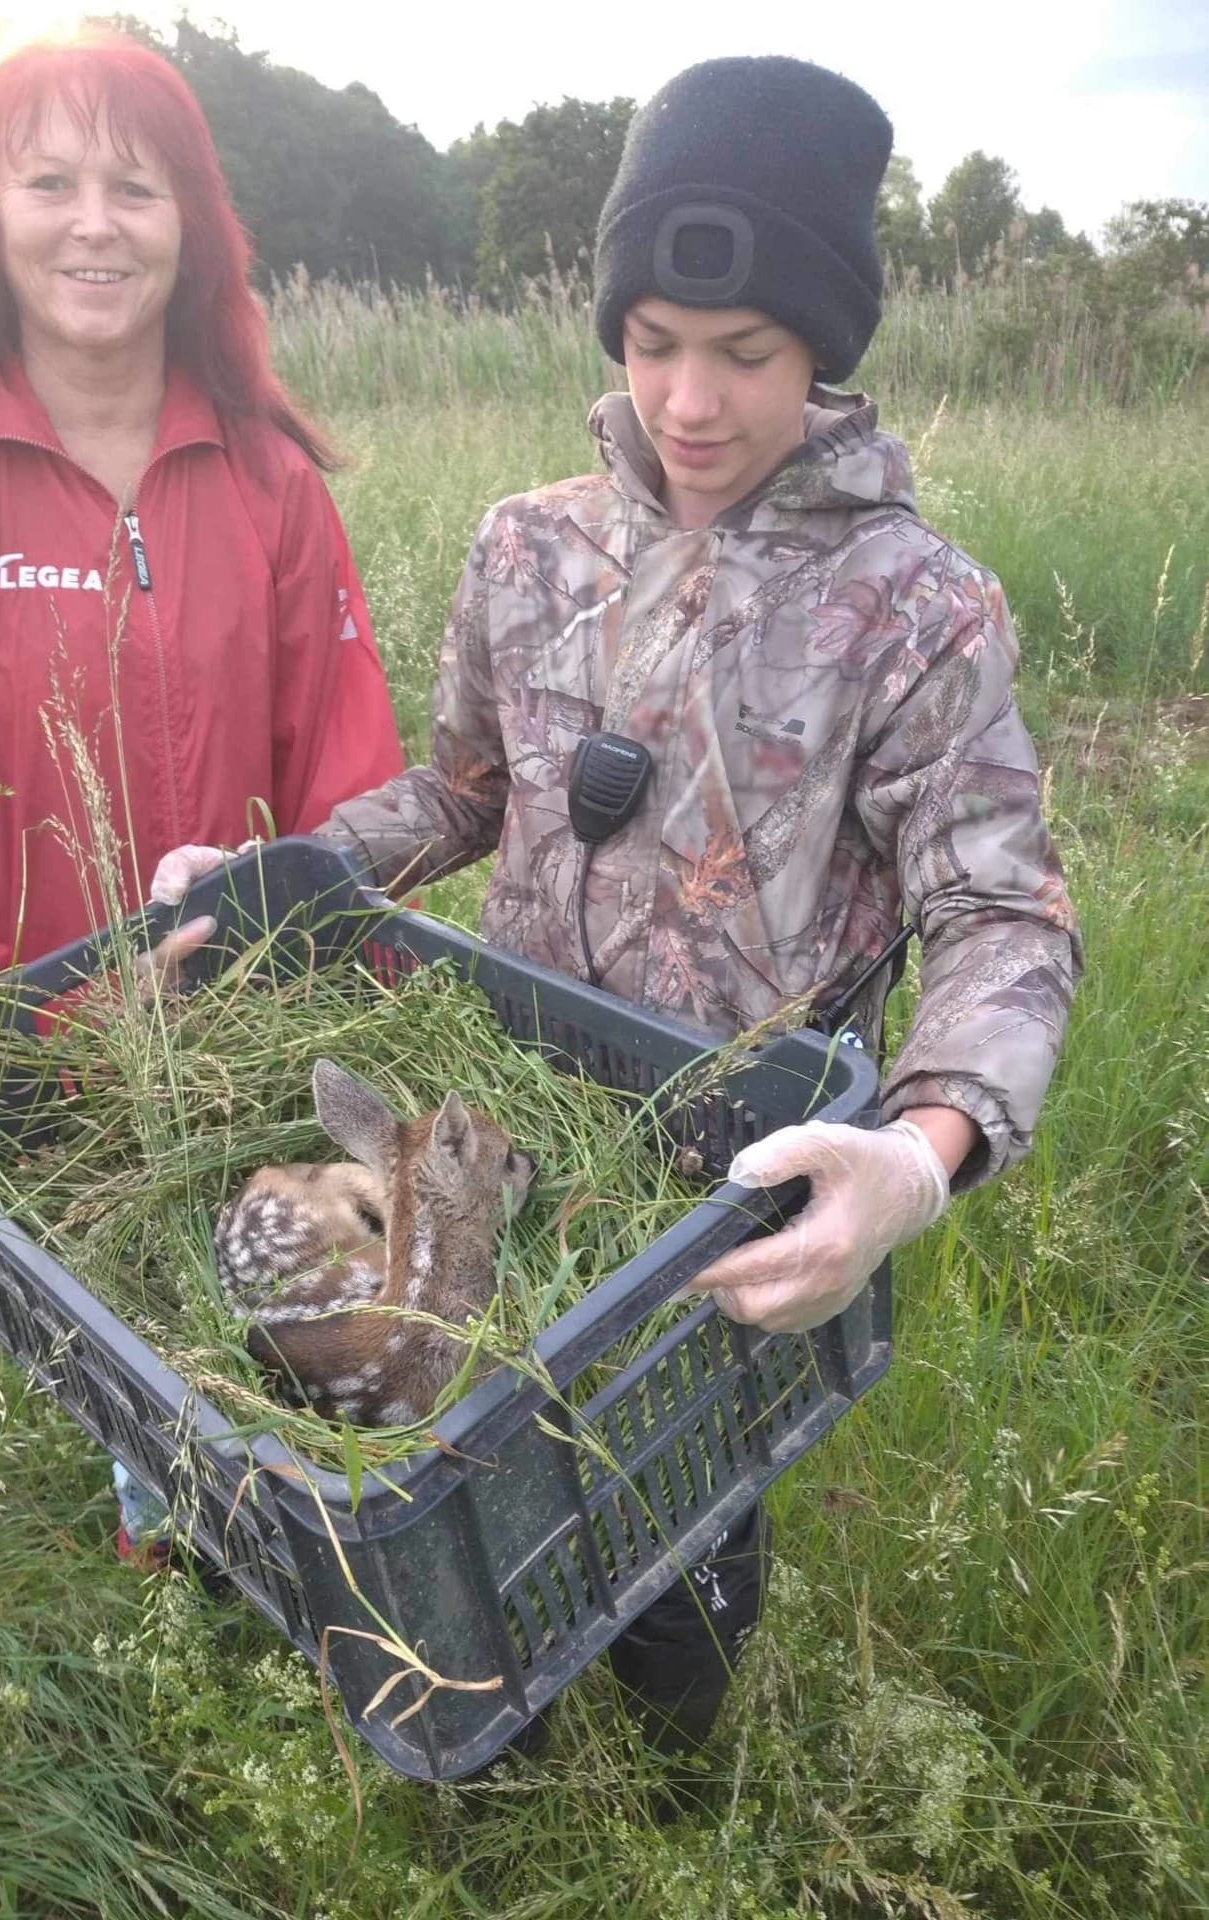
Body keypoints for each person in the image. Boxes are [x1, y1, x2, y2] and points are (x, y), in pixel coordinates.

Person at [153, 56, 1081, 1805]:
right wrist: (288, 873)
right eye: (653, 341)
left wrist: (920, 1155)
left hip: (720, 1186)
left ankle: (666, 1786)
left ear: (826, 347)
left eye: (747, 351)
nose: (691, 399)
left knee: (678, 1530)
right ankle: (490, 1734)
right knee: (477, 1463)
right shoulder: (528, 551)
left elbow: (999, 910)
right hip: (497, 1133)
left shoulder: (918, 610)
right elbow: (458, 792)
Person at [0, 32, 403, 1831]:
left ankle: (161, 1534)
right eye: (47, 179)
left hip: (199, 1038)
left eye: (135, 184)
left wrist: (319, 982)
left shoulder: (269, 478)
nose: (93, 223)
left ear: (193, 220)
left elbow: (339, 761)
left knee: (167, 1310)